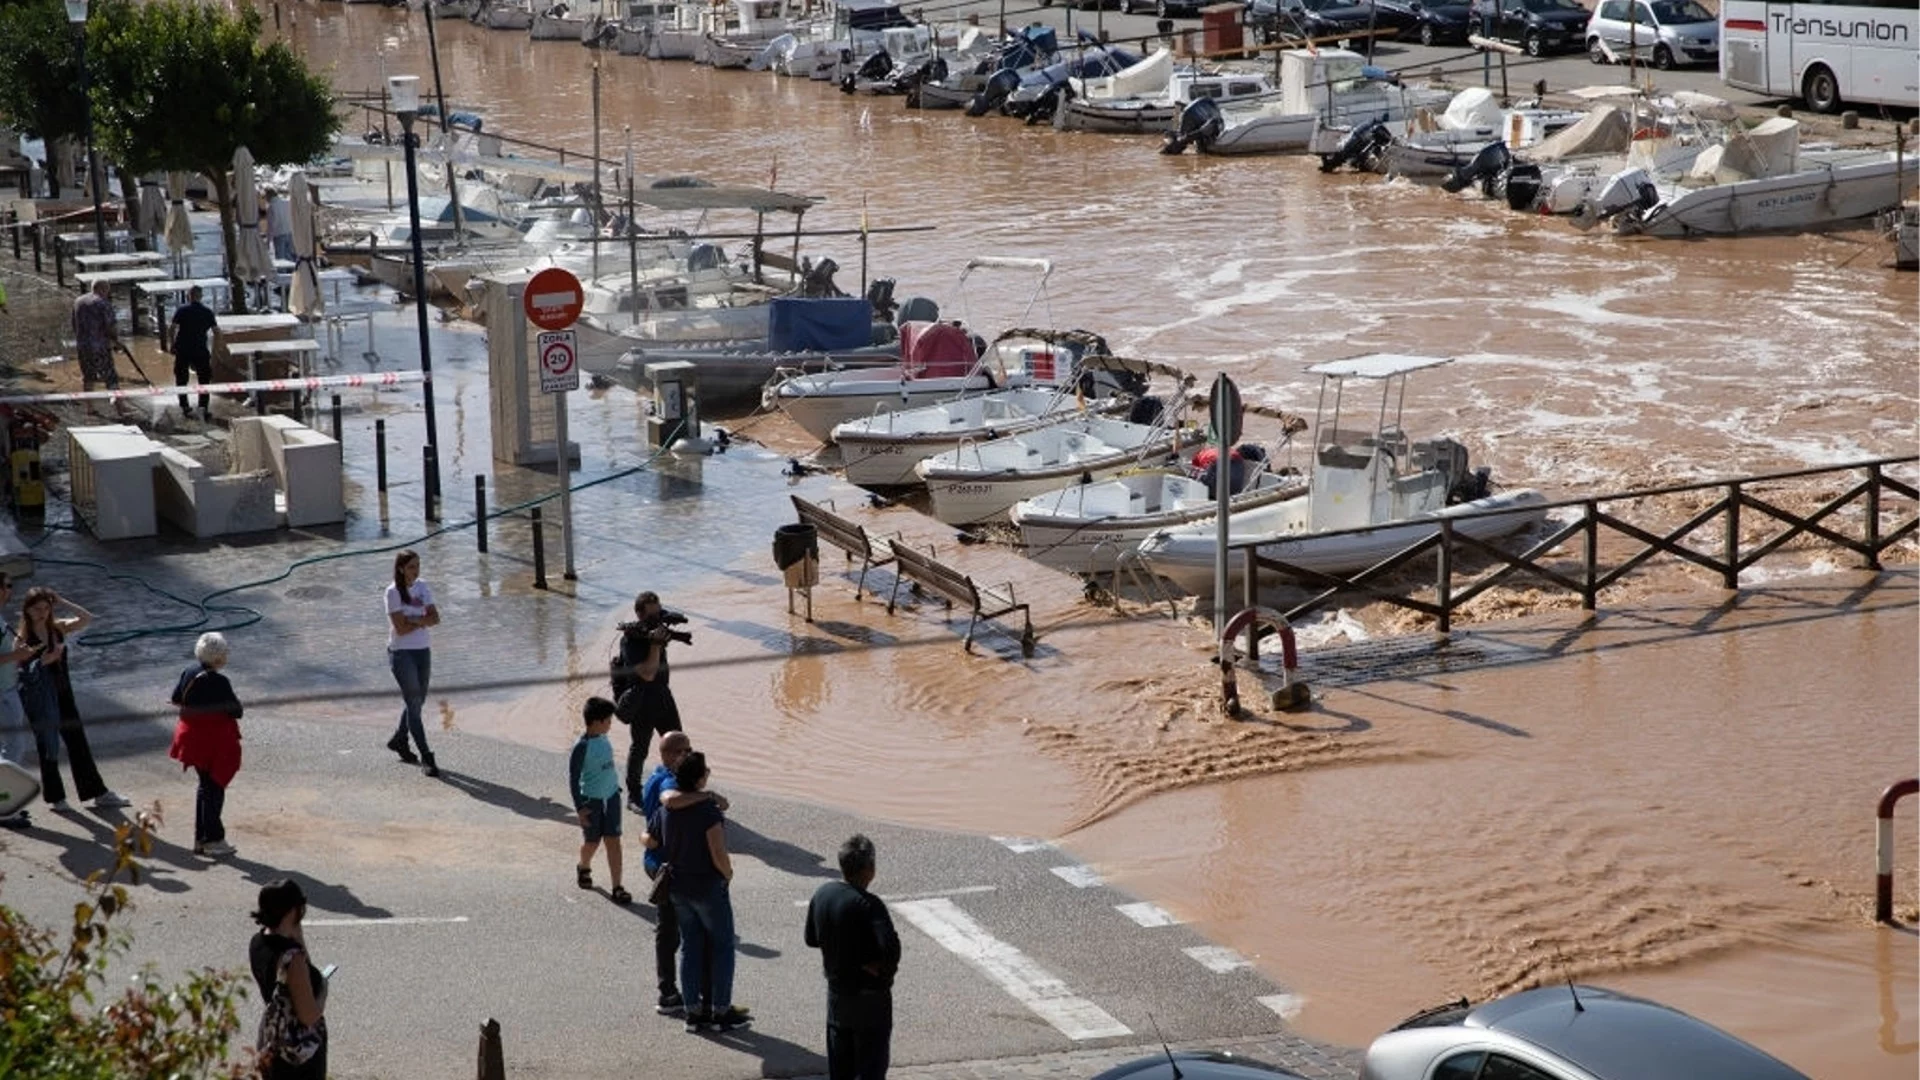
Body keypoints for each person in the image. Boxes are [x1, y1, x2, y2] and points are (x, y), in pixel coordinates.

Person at [639, 730, 732, 1017]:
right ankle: (709, 1003)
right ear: (674, 755)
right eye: (686, 749)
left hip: (661, 864)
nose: (689, 753)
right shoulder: (673, 787)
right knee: (692, 937)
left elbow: (648, 834)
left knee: (675, 935)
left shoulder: (654, 776)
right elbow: (671, 800)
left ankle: (677, 995)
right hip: (679, 869)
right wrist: (708, 797)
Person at [662, 751, 748, 1033]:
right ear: (700, 778)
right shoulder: (708, 811)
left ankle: (693, 1013)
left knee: (690, 945)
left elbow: (651, 839)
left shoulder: (668, 808)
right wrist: (728, 873)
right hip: (707, 886)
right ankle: (720, 1012)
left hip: (678, 885)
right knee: (723, 947)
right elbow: (717, 850)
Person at [18, 586, 126, 811]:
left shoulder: (56, 628)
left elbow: (86, 618)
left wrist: (62, 600)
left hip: (63, 694)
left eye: (46, 608)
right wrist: (44, 661)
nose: (42, 613)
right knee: (47, 747)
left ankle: (97, 792)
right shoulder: (22, 640)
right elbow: (20, 676)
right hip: (40, 700)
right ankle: (57, 798)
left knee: (78, 743)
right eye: (37, 609)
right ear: (27, 610)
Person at [805, 834, 901, 1080]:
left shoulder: (823, 894)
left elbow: (811, 939)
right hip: (870, 1002)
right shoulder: (870, 904)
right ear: (870, 869)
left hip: (838, 997)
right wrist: (878, 970)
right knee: (870, 1069)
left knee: (841, 1068)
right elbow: (890, 950)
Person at [168, 632, 244, 858]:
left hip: (191, 738)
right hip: (212, 742)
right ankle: (213, 839)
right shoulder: (219, 681)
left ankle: (201, 839)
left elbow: (175, 697)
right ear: (219, 658)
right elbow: (236, 710)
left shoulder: (189, 671)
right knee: (214, 789)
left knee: (204, 787)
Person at [250, 879, 328, 1080]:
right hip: (298, 1055)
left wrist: (296, 934)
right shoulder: (292, 960)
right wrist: (324, 990)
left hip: (272, 1042)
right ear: (294, 910)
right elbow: (309, 1015)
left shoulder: (257, 942)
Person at [613, 591, 683, 804]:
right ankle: (634, 795)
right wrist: (655, 644)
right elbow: (647, 673)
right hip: (641, 700)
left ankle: (682, 786)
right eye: (651, 616)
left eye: (658, 614)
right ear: (639, 614)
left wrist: (667, 624)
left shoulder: (658, 627)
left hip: (663, 695)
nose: (656, 620)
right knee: (640, 749)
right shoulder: (630, 640)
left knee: (679, 744)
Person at [384, 549, 440, 777]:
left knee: (418, 701)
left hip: (422, 650)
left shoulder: (423, 586)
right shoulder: (392, 592)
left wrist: (414, 620)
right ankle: (427, 756)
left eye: (417, 566)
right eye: (411, 567)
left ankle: (400, 739)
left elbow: (436, 618)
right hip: (401, 653)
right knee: (414, 705)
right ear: (400, 568)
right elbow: (400, 628)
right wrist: (421, 620)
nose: (415, 571)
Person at [571, 697, 631, 905]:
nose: (610, 724)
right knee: (592, 842)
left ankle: (617, 886)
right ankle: (583, 865)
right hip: (592, 802)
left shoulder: (604, 738)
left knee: (614, 841)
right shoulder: (581, 746)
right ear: (596, 722)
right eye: (608, 720)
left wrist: (615, 786)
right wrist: (580, 808)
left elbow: (608, 766)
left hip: (612, 798)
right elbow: (573, 778)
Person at [0, 573, 44, 829]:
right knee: (13, 748)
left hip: (7, 687)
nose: (10, 591)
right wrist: (18, 654)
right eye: (6, 586)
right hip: (3, 692)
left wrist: (18, 653)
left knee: (9, 747)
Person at [168, 284, 218, 422]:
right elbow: (217, 332)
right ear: (201, 296)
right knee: (204, 379)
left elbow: (172, 328)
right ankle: (203, 407)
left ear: (188, 296)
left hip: (183, 349)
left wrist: (171, 344)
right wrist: (215, 350)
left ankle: (185, 406)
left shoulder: (182, 310)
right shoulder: (207, 312)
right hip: (200, 349)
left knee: (181, 379)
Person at [71, 280, 121, 393]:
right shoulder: (103, 303)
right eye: (108, 291)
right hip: (100, 347)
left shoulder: (78, 301)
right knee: (110, 376)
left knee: (88, 376)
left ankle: (90, 408)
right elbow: (110, 326)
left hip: (82, 346)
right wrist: (116, 342)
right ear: (104, 289)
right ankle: (120, 406)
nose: (108, 294)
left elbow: (74, 324)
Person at [264, 187, 294, 264]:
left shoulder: (271, 207)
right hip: (290, 233)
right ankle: (293, 273)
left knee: (281, 259)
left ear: (268, 196)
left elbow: (271, 225)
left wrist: (268, 240)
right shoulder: (287, 203)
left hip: (279, 235)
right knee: (290, 257)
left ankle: (284, 274)